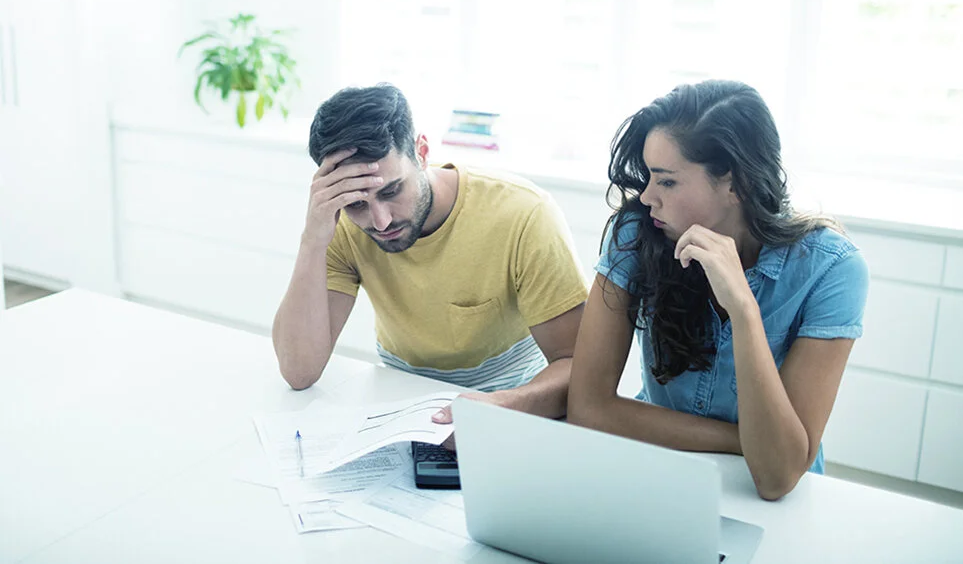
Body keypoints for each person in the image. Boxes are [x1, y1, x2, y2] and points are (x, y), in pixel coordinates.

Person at [568, 80, 869, 500]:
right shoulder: (637, 233)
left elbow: (778, 475)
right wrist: (741, 438)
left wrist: (743, 308)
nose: (647, 197)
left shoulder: (832, 269)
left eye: (667, 182)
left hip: (773, 502)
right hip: (661, 470)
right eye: (649, 178)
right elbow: (589, 409)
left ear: (734, 183)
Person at [272, 83, 587, 426]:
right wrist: (312, 240)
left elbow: (580, 365)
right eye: (357, 204)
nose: (381, 221)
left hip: (512, 408)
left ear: (422, 152)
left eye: (392, 191)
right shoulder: (341, 226)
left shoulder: (524, 215)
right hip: (404, 409)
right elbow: (298, 371)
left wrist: (502, 406)